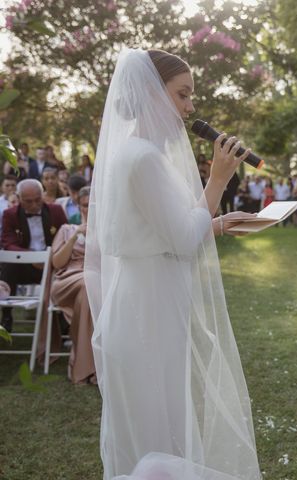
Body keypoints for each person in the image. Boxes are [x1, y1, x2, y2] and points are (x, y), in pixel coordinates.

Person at [84, 48, 260, 479]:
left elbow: (167, 230)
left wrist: (214, 224)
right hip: (147, 308)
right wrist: (218, 179)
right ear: (150, 91)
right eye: (182, 95)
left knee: (160, 425)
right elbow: (181, 240)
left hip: (149, 298)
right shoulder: (142, 158)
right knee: (152, 431)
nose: (190, 107)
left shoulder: (141, 154)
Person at [0, 179, 67, 332]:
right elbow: (8, 242)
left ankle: (62, 321)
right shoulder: (10, 214)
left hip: (52, 265)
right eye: (28, 201)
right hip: (24, 267)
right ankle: (6, 315)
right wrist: (31, 257)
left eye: (38, 200)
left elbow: (66, 237)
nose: (35, 205)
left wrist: (51, 258)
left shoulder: (55, 211)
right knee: (9, 262)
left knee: (65, 269)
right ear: (19, 198)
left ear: (42, 194)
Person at [50, 186, 96, 384]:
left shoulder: (108, 232)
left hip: (94, 284)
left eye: (94, 206)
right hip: (67, 279)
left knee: (89, 289)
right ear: (79, 206)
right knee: (89, 285)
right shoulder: (66, 229)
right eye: (86, 205)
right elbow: (57, 263)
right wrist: (76, 235)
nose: (90, 209)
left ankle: (81, 366)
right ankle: (89, 370)